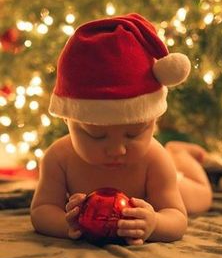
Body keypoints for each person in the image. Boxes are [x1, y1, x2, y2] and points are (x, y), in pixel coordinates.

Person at [30, 13, 212, 245]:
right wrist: (67, 223)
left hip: (165, 187)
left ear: (153, 120)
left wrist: (154, 223)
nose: (117, 150)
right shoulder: (58, 158)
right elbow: (41, 210)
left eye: (133, 134)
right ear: (68, 120)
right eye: (96, 135)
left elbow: (177, 218)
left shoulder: (154, 159)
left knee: (201, 197)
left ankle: (181, 154)